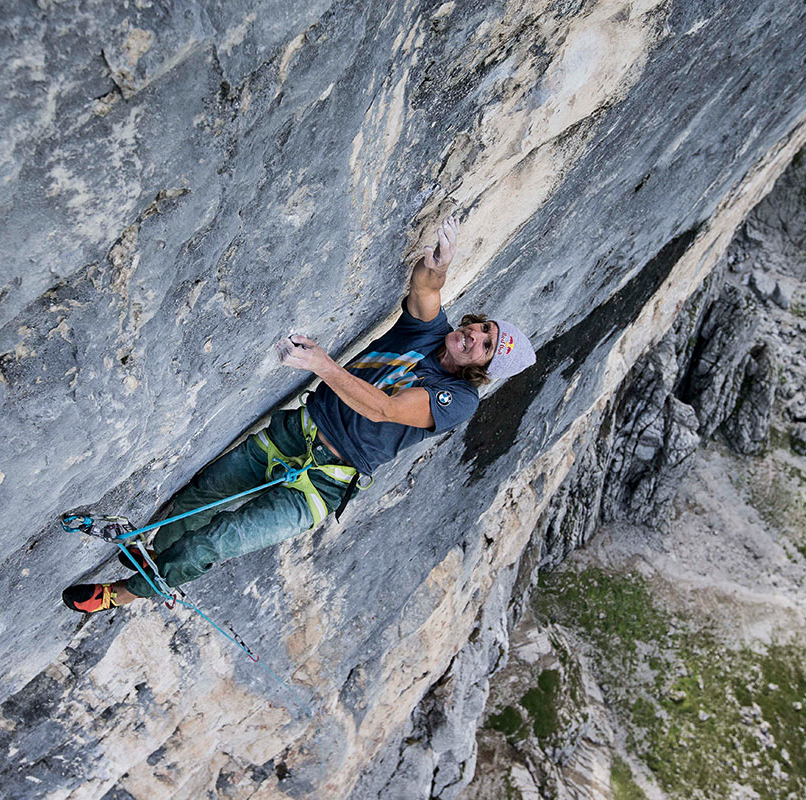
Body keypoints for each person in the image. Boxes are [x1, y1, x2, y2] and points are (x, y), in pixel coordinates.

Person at [63, 216, 536, 613]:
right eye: (483, 327)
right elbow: (426, 289)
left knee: (217, 541)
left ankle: (120, 596)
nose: (475, 336)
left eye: (487, 346)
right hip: (293, 435)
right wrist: (440, 263)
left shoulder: (460, 399)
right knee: (197, 498)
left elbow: (386, 407)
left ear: (485, 367)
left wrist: (323, 365)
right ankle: (154, 560)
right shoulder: (431, 333)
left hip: (324, 483)